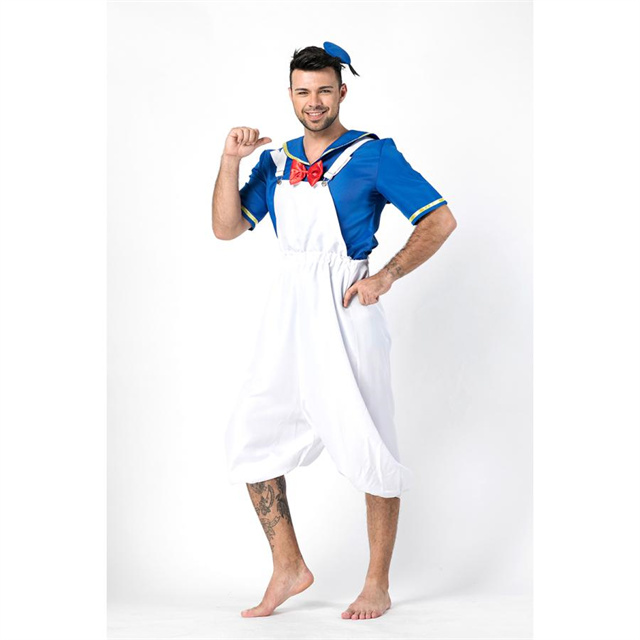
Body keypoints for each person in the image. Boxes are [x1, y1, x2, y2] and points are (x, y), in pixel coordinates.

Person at [211, 42, 457, 621]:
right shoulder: (276, 161)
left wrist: (386, 275)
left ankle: (377, 584)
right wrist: (229, 161)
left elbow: (440, 219)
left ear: (341, 91)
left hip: (347, 307)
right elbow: (226, 229)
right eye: (303, 91)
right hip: (288, 308)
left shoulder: (374, 155)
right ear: (290, 95)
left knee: (371, 439)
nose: (314, 101)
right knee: (251, 434)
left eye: (324, 90)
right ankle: (288, 567)